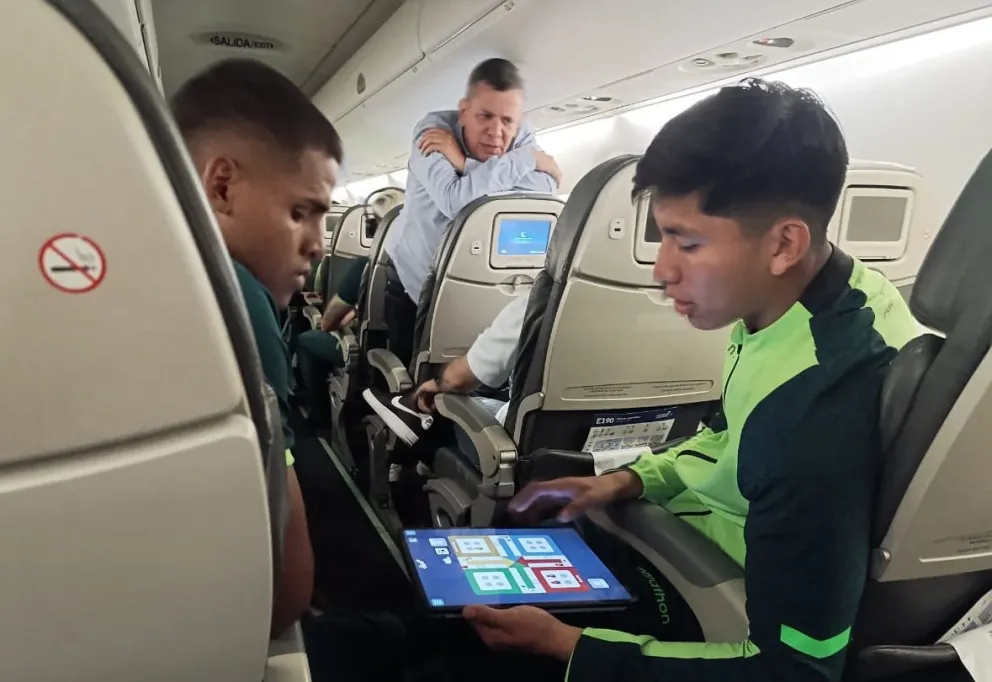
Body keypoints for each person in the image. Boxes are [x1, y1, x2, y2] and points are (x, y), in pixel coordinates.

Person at [457, 78, 924, 682]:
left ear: (784, 243)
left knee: (478, 636)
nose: (661, 269)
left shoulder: (815, 410)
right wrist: (624, 482)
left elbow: (796, 671)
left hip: (719, 593)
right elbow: (728, 439)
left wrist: (570, 647)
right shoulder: (816, 297)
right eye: (661, 235)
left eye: (688, 241)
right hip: (704, 532)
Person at [171, 58, 342, 639]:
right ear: (222, 186)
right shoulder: (238, 298)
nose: (317, 245)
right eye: (301, 212)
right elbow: (284, 597)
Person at [376, 57, 561, 372]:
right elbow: (456, 202)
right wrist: (529, 161)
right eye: (485, 116)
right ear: (463, 110)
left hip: (473, 281)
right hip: (416, 281)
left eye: (507, 121)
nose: (496, 132)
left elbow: (542, 192)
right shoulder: (432, 131)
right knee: (415, 381)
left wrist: (464, 164)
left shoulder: (522, 136)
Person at [295, 189, 404, 425]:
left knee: (307, 340)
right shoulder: (434, 264)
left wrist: (348, 316)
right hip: (411, 359)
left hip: (370, 356)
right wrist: (357, 309)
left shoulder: (366, 267)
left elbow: (328, 322)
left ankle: (318, 416)